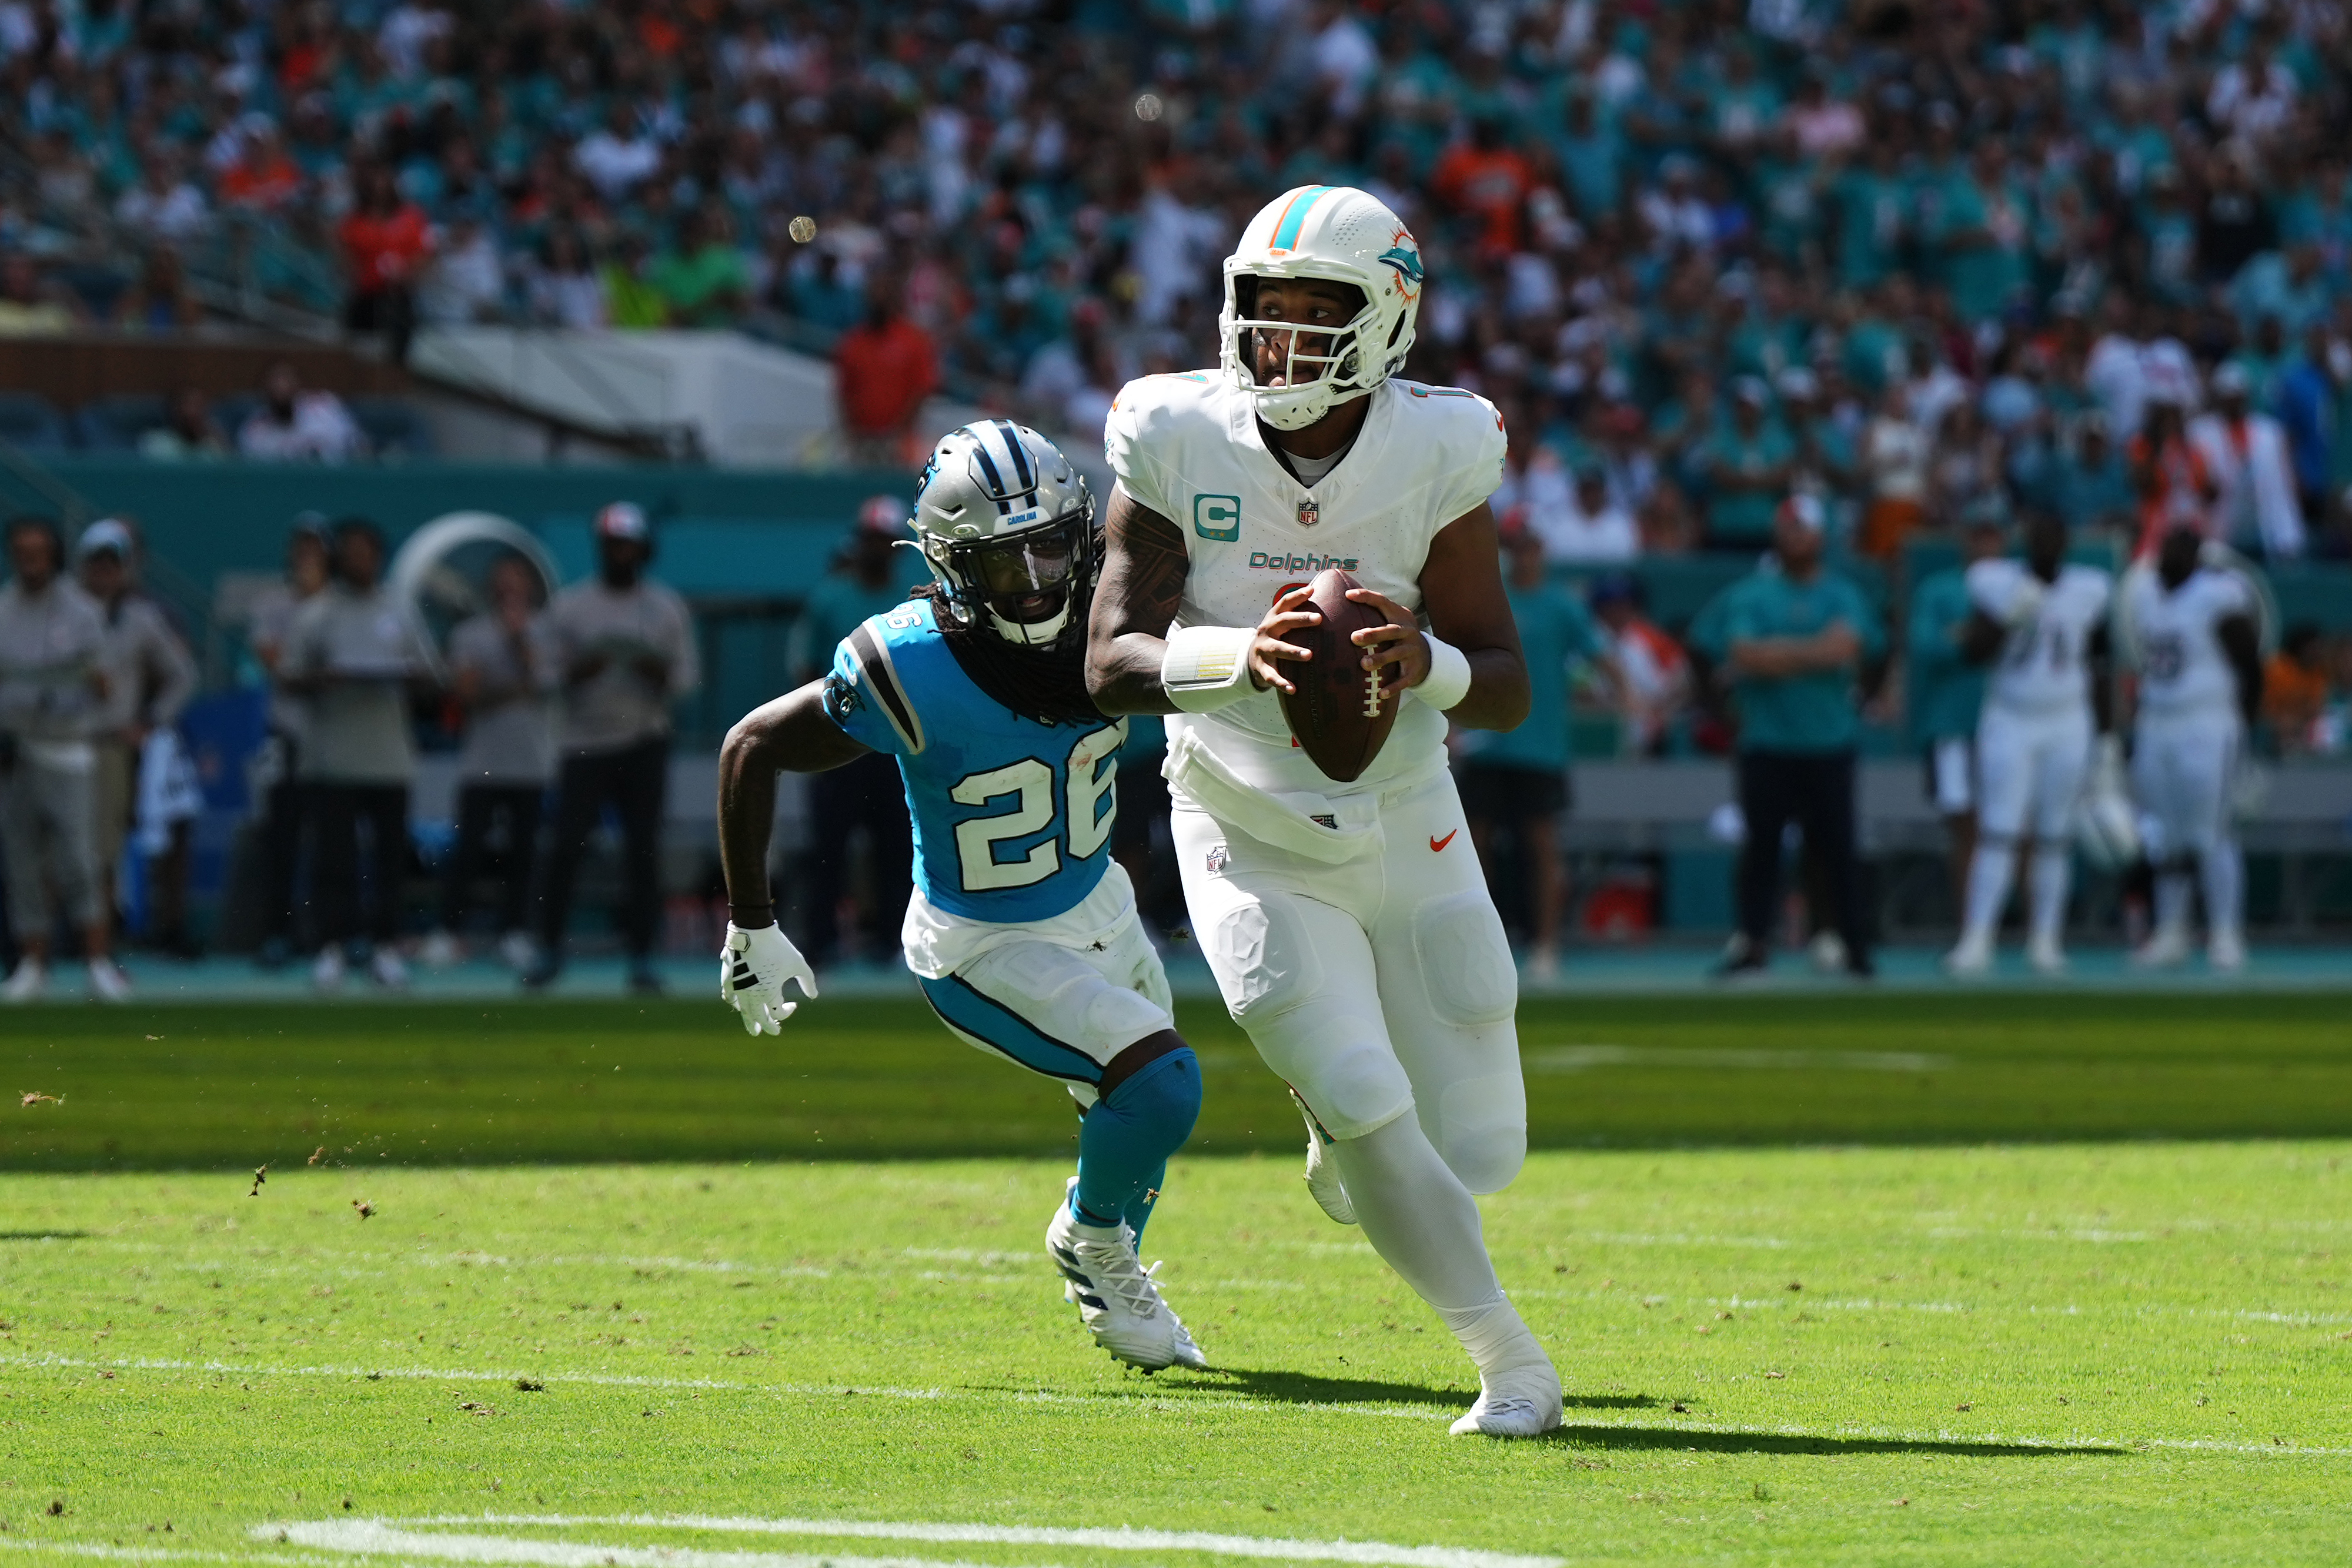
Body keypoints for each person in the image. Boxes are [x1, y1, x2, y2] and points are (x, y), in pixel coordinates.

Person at [1085, 186, 1562, 1438]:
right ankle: (1507, 1360)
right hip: (1244, 825)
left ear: (1387, 316)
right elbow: (1110, 657)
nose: (1283, 338)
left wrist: (1425, 660)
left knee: (1484, 1146)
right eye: (1263, 307)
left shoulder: (1440, 444)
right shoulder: (1173, 427)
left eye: (1318, 311)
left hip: (1409, 809)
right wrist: (1237, 657)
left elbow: (1505, 682)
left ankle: (1340, 1137)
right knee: (1360, 1085)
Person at [718, 420, 1207, 1372]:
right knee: (1159, 1083)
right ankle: (1094, 1240)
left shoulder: (1121, 614)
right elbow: (752, 743)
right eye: (1002, 558)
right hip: (984, 943)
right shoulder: (909, 661)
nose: (1030, 578)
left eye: (1049, 546)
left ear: (1084, 537)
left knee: (1139, 1108)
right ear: (950, 565)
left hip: (1100, 902)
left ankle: (1100, 1240)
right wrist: (751, 920)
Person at [1692, 494, 1880, 981]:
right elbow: (1743, 653)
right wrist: (1814, 652)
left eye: (1805, 529)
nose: (1796, 537)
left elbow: (1850, 647)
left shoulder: (1841, 593)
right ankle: (1753, 942)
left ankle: (1850, 942)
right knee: (1762, 849)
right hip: (1768, 741)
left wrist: (1779, 655)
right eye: (1789, 528)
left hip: (1829, 740)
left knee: (1837, 847)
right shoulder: (1754, 594)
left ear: (1821, 538)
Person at [531, 502, 700, 993]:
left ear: (643, 549)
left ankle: (643, 955)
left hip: (644, 738)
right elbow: (543, 672)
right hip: (584, 741)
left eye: (627, 544)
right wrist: (576, 672)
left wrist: (657, 672)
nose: (619, 552)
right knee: (566, 845)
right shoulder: (571, 605)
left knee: (642, 851)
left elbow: (689, 677)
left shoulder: (665, 606)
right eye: (611, 544)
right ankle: (548, 949)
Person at [1945, 510, 2115, 976]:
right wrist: (2006, 617)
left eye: (2054, 535)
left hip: (2067, 718)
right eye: (2039, 534)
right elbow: (1972, 653)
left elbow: (2100, 665)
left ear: (2066, 542)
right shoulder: (1997, 583)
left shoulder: (2090, 589)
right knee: (1998, 829)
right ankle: (1978, 937)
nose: (2046, 543)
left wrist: (2106, 738)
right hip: (2010, 716)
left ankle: (2046, 938)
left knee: (2054, 835)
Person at [277, 517, 434, 990]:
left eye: (366, 552)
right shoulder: (316, 613)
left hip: (389, 758)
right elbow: (287, 676)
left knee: (389, 861)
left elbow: (431, 678)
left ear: (378, 558)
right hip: (332, 759)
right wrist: (324, 680)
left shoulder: (400, 612)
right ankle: (332, 949)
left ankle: (385, 948)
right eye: (349, 552)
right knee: (334, 861)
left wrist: (404, 676)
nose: (357, 561)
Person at [1456, 519, 1606, 979]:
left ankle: (1546, 945)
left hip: (1541, 748)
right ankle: (1479, 944)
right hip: (1486, 744)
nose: (1525, 555)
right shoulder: (1487, 598)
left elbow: (1600, 656)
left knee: (1542, 845)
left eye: (1531, 546)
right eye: (1517, 546)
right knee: (1472, 847)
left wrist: (1633, 695)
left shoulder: (1563, 606)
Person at [0, 514, 129, 1002]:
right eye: (21, 552)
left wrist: (91, 683)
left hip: (68, 748)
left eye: (38, 552)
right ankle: (33, 963)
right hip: (14, 752)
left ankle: (97, 962)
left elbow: (103, 681)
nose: (30, 562)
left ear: (53, 555)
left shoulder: (82, 610)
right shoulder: (3, 609)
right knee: (22, 861)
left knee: (79, 860)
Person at [786, 497, 918, 966]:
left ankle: (892, 942)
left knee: (898, 846)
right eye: (871, 539)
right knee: (828, 849)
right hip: (838, 747)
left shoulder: (912, 598)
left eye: (886, 540)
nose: (878, 548)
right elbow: (803, 670)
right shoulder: (830, 597)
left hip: (896, 749)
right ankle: (821, 942)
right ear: (859, 542)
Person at [2123, 527, 2264, 970]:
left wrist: (2243, 728)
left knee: (2211, 831)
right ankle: (2171, 930)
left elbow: (2250, 664)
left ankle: (2225, 932)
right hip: (2156, 721)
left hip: (2207, 722)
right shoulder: (2144, 594)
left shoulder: (2217, 596)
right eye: (2167, 548)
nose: (2171, 557)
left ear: (2199, 558)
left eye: (2181, 550)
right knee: (2164, 835)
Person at [420, 553, 557, 971]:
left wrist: (518, 645)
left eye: (518, 580)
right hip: (482, 761)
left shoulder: (547, 632)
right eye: (503, 579)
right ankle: (448, 932)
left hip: (531, 762)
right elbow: (465, 695)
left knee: (523, 853)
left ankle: (514, 933)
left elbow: (546, 684)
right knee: (469, 849)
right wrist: (513, 688)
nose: (510, 588)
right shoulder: (470, 634)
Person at [76, 519, 198, 954]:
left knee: (107, 845)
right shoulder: (61, 612)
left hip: (111, 742)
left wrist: (148, 721)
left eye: (113, 565)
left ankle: (101, 942)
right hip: (57, 738)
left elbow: (182, 676)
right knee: (56, 843)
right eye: (97, 565)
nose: (104, 574)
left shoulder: (143, 617)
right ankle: (53, 939)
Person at [1906, 510, 2004, 918]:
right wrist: (1975, 640)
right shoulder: (1938, 590)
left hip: (2007, 723)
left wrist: (1969, 638)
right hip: (1952, 723)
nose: (1984, 544)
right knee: (1965, 828)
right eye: (1977, 535)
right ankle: (1971, 926)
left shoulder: (2017, 587)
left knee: (2008, 828)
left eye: (1991, 536)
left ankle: (2014, 928)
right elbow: (1928, 646)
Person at [246, 518, 332, 966]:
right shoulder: (272, 604)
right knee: (281, 839)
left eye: (316, 549)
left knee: (331, 842)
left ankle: (326, 935)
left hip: (335, 740)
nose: (308, 558)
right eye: (302, 549)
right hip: (287, 734)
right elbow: (278, 664)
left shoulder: (341, 605)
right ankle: (276, 933)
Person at [2189, 362, 2306, 560]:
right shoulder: (2201, 432)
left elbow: (2286, 483)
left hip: (2267, 527)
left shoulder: (2269, 432)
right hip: (2223, 526)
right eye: (2228, 396)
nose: (2234, 401)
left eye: (2237, 395)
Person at [834, 276, 939, 467]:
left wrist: (900, 431)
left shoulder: (912, 341)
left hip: (899, 441)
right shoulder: (854, 343)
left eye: (883, 295)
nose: (878, 300)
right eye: (874, 296)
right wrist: (851, 431)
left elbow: (921, 390)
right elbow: (844, 391)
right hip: (862, 439)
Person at [238, 362, 365, 463]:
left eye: (286, 381)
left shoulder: (325, 409)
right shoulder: (254, 431)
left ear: (298, 386)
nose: (281, 388)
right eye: (275, 386)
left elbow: (361, 448)